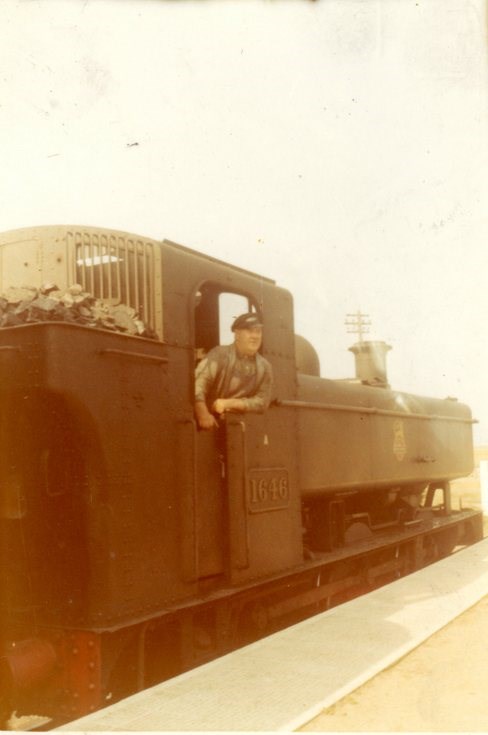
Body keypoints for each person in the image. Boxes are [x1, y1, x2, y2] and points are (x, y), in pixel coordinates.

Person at [194, 312, 273, 430]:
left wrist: (229, 403)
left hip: (239, 427)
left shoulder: (264, 366)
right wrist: (203, 414)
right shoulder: (219, 355)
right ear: (237, 334)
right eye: (250, 331)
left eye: (258, 332)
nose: (255, 336)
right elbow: (198, 385)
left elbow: (262, 402)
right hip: (211, 424)